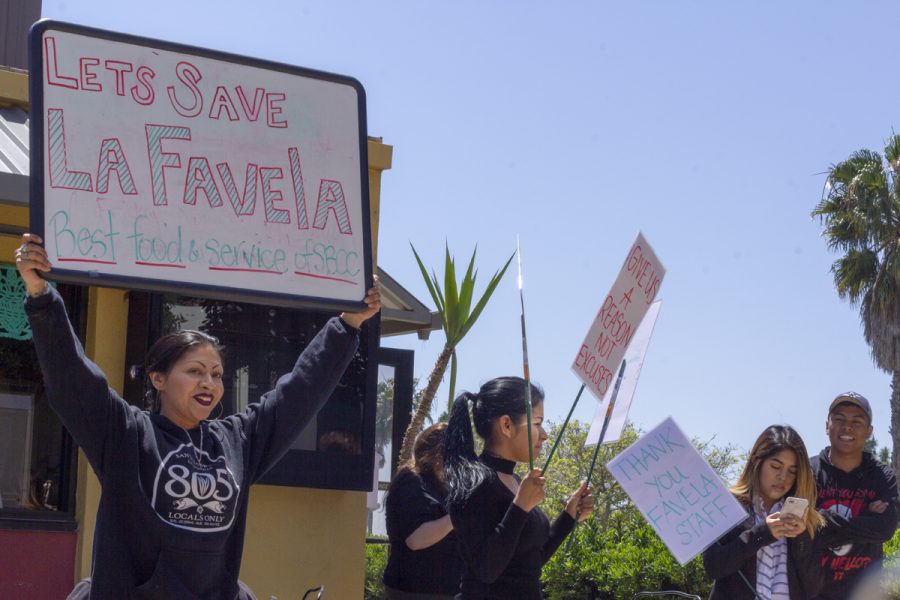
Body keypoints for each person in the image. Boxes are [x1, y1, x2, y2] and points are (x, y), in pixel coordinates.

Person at [15, 233, 380, 599]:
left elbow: (299, 393)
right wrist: (42, 296)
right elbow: (73, 377)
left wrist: (348, 323)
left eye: (217, 374)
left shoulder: (238, 441)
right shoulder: (126, 432)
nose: (209, 383)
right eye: (195, 371)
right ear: (158, 378)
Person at [443, 376, 594, 600]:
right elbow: (486, 569)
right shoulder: (473, 484)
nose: (544, 434)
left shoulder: (515, 481)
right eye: (536, 423)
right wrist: (521, 506)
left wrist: (569, 515)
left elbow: (529, 562)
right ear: (506, 425)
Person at [703, 425, 825, 600]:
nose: (783, 477)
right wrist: (761, 534)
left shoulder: (805, 517)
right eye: (776, 466)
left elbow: (814, 588)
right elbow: (713, 566)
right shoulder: (729, 504)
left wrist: (801, 537)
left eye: (792, 471)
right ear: (756, 461)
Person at [811, 392, 899, 600]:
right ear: (827, 425)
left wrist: (820, 517)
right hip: (810, 593)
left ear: (869, 431)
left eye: (856, 421)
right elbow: (802, 530)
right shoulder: (808, 471)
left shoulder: (882, 475)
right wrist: (867, 520)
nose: (847, 426)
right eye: (839, 419)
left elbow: (885, 528)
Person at [383, 422, 463, 599]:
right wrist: (458, 515)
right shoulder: (411, 482)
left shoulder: (443, 486)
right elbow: (416, 539)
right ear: (437, 452)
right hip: (415, 591)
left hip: (444, 590)